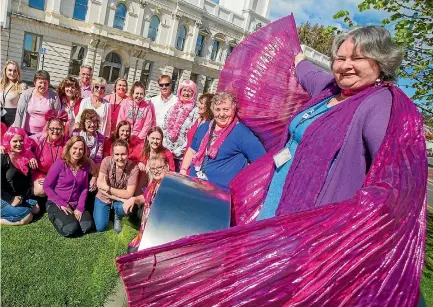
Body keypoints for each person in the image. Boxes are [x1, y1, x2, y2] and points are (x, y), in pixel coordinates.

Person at [116, 21, 427, 306]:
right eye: (339, 58)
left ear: (380, 62)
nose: (344, 65)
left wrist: (365, 214)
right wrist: (295, 54)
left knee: (273, 286)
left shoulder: (379, 104)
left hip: (307, 224)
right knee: (247, 272)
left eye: (355, 58)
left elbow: (396, 173)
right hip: (271, 201)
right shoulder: (330, 89)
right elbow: (307, 71)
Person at [181, 92, 266, 189]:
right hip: (194, 186)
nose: (221, 114)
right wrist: (183, 171)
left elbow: (261, 162)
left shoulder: (241, 133)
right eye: (218, 109)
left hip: (220, 195)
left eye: (226, 109)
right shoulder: (204, 127)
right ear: (213, 110)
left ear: (233, 110)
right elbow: (192, 151)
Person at [43, 136, 94, 237]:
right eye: (75, 148)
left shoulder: (85, 165)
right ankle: (53, 214)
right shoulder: (59, 164)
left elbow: (84, 188)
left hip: (75, 202)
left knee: (87, 226)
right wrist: (61, 203)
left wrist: (80, 207)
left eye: (81, 149)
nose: (78, 151)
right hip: (57, 202)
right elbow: (46, 186)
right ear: (69, 148)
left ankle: (71, 216)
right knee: (71, 229)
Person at [125, 154, 169, 253]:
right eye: (153, 168)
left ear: (167, 167)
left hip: (161, 228)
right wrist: (133, 199)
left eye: (160, 167)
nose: (156, 171)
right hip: (148, 225)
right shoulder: (154, 183)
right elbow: (145, 197)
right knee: (131, 250)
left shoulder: (168, 186)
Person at [94, 139, 139, 233]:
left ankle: (117, 215)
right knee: (100, 227)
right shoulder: (106, 161)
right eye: (117, 154)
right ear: (113, 154)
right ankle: (108, 211)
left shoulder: (134, 168)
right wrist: (112, 193)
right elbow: (99, 184)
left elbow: (129, 194)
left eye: (123, 154)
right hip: (104, 197)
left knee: (126, 206)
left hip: (119, 199)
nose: (120, 158)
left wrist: (108, 188)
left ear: (128, 153)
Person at [1, 127, 40, 225]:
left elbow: (25, 181)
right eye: (15, 141)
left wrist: (31, 157)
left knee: (36, 210)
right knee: (27, 217)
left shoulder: (24, 156)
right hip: (3, 196)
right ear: (8, 141)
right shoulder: (3, 157)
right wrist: (10, 199)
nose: (19, 144)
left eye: (21, 141)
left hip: (19, 195)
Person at [161, 80, 199, 170]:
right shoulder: (173, 107)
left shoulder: (195, 111)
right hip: (166, 151)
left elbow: (193, 134)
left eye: (189, 91)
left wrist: (178, 151)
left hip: (181, 156)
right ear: (180, 92)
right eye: (184, 90)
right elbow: (164, 127)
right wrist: (165, 147)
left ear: (193, 93)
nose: (186, 93)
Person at [30, 110, 68, 197]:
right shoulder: (39, 139)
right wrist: (31, 156)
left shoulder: (67, 142)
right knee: (41, 190)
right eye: (52, 128)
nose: (55, 131)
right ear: (47, 128)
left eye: (58, 128)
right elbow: (24, 141)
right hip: (41, 174)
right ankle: (29, 194)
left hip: (60, 175)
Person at [13, 70, 61, 135]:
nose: (43, 85)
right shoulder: (26, 94)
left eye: (45, 83)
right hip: (27, 132)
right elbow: (19, 114)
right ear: (35, 83)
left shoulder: (54, 96)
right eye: (40, 82)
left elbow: (57, 115)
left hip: (45, 134)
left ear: (48, 84)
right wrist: (17, 132)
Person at [0, 60, 28, 127]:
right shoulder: (1, 83)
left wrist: (17, 123)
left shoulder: (22, 86)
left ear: (18, 72)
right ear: (5, 70)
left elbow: (24, 108)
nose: (12, 73)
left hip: (13, 120)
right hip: (1, 115)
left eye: (15, 71)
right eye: (10, 70)